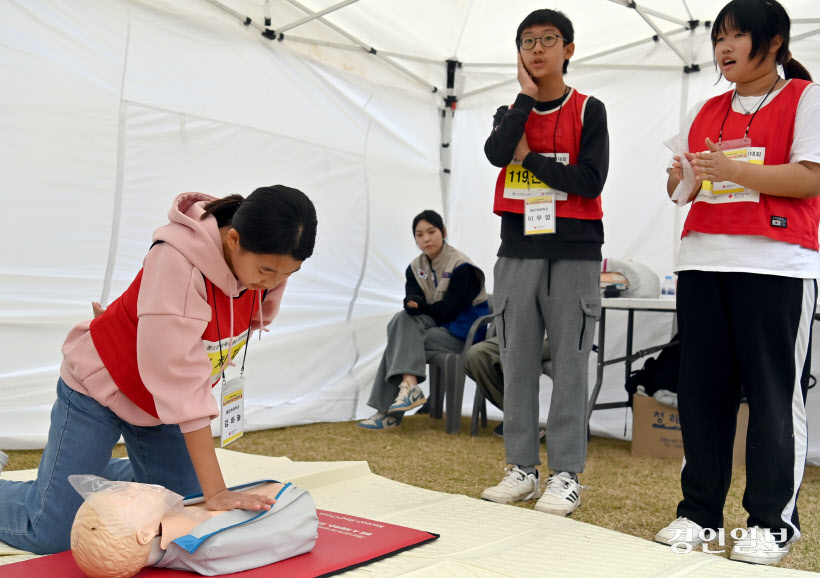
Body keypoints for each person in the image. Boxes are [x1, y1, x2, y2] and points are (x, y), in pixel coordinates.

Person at [0, 186, 318, 555]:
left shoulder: (265, 271)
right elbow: (182, 385)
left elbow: (210, 342)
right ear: (233, 240)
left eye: (287, 274)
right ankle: (62, 488)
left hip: (159, 406)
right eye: (266, 271)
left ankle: (82, 477)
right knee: (51, 533)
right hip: (99, 388)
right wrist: (215, 491)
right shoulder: (177, 262)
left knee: (181, 512)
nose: (273, 283)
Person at [653, 0, 820, 566]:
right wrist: (682, 178)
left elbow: (808, 179)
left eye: (737, 36)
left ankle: (773, 522)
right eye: (719, 37)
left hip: (776, 265)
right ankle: (698, 515)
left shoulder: (806, 97)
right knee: (702, 395)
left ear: (773, 43)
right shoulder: (706, 109)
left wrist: (736, 171)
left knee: (774, 395)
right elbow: (682, 194)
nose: (723, 48)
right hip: (702, 262)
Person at [481, 8, 608, 516]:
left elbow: (590, 180)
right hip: (517, 250)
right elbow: (496, 153)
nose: (537, 49)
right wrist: (524, 101)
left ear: (568, 49)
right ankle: (521, 469)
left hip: (575, 251)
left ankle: (565, 475)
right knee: (516, 363)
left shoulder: (589, 109)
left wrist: (529, 157)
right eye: (527, 41)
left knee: (572, 366)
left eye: (548, 39)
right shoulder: (510, 109)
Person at [359, 210, 489, 430]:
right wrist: (412, 303)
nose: (426, 239)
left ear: (443, 232)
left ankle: (387, 412)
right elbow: (412, 300)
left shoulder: (462, 266)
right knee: (402, 323)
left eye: (431, 232)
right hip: (436, 330)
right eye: (419, 235)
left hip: (463, 334)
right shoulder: (415, 267)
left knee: (400, 339)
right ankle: (408, 388)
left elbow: (449, 310)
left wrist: (421, 307)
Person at [70, 476, 318, 577]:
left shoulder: (169, 519)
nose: (132, 487)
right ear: (144, 534)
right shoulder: (209, 549)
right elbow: (295, 525)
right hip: (291, 501)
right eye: (128, 497)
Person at [464, 335, 551, 437]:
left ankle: (523, 424)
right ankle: (518, 417)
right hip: (520, 334)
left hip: (557, 338)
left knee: (513, 357)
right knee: (476, 355)